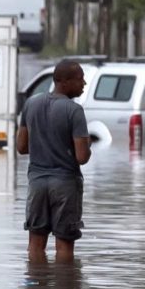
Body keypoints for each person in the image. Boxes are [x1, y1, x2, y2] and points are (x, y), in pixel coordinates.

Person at [16, 59, 90, 263]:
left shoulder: (31, 104)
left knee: (35, 244)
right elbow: (82, 157)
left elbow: (21, 147)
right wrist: (87, 143)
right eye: (80, 79)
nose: (84, 83)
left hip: (37, 184)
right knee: (64, 245)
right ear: (64, 82)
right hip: (65, 186)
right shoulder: (74, 111)